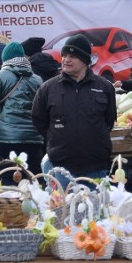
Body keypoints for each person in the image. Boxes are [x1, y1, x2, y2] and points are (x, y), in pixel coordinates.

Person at [32, 34, 116, 189]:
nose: (66, 60)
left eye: (72, 56)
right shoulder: (48, 88)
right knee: (62, 210)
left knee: (96, 211)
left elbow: (109, 121)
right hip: (62, 167)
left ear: (85, 60)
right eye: (64, 55)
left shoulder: (105, 87)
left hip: (95, 167)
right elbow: (39, 120)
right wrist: (56, 137)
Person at [0, 42, 44, 178]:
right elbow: (42, 109)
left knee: (1, 181)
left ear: (5, 59)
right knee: (31, 181)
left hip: (2, 137)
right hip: (31, 138)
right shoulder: (37, 80)